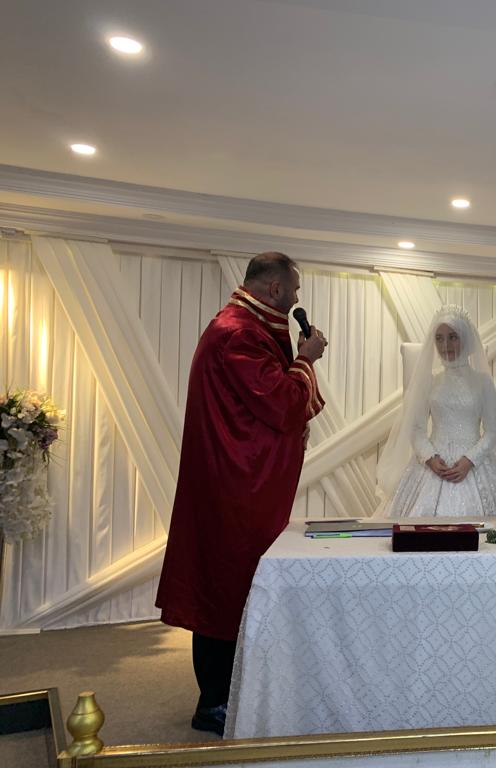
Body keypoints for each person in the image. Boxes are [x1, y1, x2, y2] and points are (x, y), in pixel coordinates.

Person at [155, 252, 327, 736]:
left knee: (231, 588)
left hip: (232, 481)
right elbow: (282, 403)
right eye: (294, 289)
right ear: (274, 289)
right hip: (233, 487)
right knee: (224, 591)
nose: (296, 298)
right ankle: (214, 702)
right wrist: (306, 359)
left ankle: (227, 694)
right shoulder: (237, 334)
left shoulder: (242, 327)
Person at [377, 305, 496, 516]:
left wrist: (470, 460)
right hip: (433, 464)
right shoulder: (430, 382)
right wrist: (430, 458)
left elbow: (493, 431)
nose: (445, 345)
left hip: (473, 464)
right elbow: (416, 428)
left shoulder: (483, 382)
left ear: (465, 339)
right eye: (439, 338)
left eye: (453, 337)